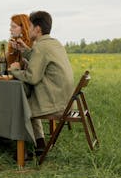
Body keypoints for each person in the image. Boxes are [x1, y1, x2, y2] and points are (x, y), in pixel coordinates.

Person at [8, 11, 74, 156]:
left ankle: (21, 151)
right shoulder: (54, 43)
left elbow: (32, 77)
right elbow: (39, 58)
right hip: (66, 100)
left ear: (37, 29)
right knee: (26, 98)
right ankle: (40, 144)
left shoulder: (40, 47)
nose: (28, 29)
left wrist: (14, 71)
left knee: (20, 105)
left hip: (55, 103)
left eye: (30, 26)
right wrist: (24, 50)